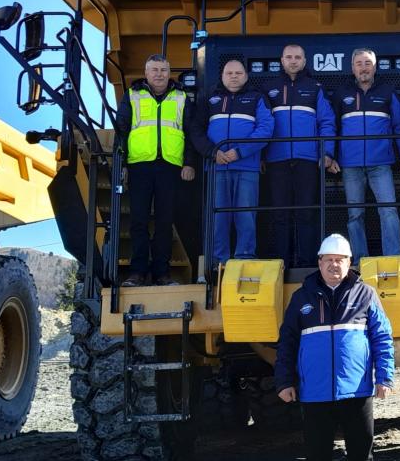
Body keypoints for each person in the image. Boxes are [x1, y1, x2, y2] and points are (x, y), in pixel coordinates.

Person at [275, 233, 394, 461]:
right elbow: (287, 340)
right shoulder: (302, 298)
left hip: (357, 392)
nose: (333, 266)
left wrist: (384, 376)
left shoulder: (365, 294)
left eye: (339, 261)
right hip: (314, 395)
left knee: (362, 460)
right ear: (319, 263)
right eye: (328, 260)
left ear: (349, 263)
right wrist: (284, 381)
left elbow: (383, 337)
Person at [116, 54, 195, 287]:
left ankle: (162, 273)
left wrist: (188, 163)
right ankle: (137, 273)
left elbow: (191, 133)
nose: (159, 74)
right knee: (138, 221)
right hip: (139, 166)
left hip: (170, 167)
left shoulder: (181, 97)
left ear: (169, 72)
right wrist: (123, 165)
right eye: (154, 70)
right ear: (146, 72)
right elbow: (122, 131)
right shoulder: (132, 95)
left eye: (163, 70)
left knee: (164, 222)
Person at [330, 48, 400, 264]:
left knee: (388, 211)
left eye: (368, 63)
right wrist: (329, 156)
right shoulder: (342, 93)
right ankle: (359, 262)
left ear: (375, 67)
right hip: (350, 165)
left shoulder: (387, 91)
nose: (363, 68)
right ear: (352, 68)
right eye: (359, 63)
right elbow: (332, 127)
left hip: (381, 164)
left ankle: (392, 259)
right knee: (355, 215)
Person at [189, 58, 273, 262]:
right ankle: (218, 261)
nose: (234, 76)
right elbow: (196, 130)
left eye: (238, 73)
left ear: (246, 76)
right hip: (217, 167)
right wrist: (213, 152)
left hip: (247, 167)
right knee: (218, 217)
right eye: (229, 73)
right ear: (222, 76)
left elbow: (265, 129)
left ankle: (245, 257)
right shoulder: (209, 99)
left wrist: (240, 151)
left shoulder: (257, 98)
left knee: (245, 215)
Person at [262, 44, 336, 267]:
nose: (293, 61)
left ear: (304, 61)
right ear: (281, 60)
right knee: (280, 214)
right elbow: (262, 125)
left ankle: (306, 264)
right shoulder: (268, 88)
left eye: (297, 57)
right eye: (288, 57)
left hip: (307, 160)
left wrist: (327, 152)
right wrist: (262, 156)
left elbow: (327, 122)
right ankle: (281, 263)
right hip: (277, 160)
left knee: (307, 213)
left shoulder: (315, 87)